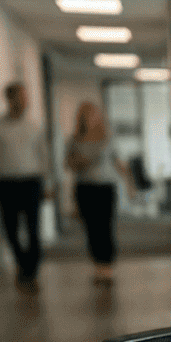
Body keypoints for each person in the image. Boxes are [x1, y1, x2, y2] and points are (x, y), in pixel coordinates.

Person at [0, 82, 51, 291]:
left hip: (32, 182)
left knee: (33, 229)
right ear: (10, 99)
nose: (25, 102)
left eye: (26, 98)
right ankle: (23, 263)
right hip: (6, 184)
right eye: (21, 97)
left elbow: (44, 157)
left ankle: (31, 271)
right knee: (10, 230)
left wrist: (48, 184)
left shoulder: (35, 126)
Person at [64, 101, 129, 283]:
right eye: (85, 115)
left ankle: (107, 266)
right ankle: (98, 266)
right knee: (91, 228)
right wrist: (82, 161)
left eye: (92, 114)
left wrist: (129, 184)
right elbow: (68, 165)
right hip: (85, 188)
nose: (89, 119)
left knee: (105, 227)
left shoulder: (108, 138)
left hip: (105, 188)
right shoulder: (74, 140)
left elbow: (119, 162)